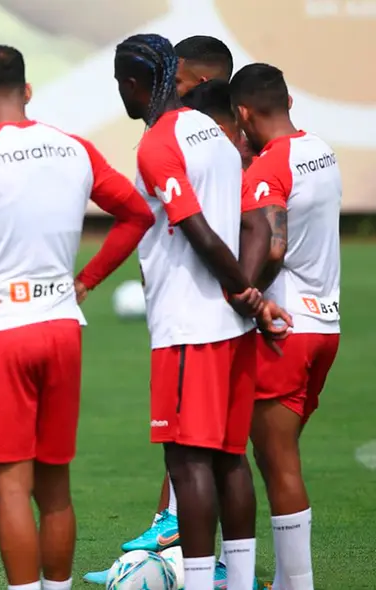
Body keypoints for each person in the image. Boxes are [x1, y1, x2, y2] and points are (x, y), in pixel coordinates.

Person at [0, 45, 154, 590]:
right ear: (27, 91)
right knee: (56, 488)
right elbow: (137, 213)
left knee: (9, 489)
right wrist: (87, 280)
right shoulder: (75, 149)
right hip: (61, 326)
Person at [112, 33, 291, 590]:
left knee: (188, 464)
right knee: (229, 459)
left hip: (191, 327)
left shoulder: (159, 144)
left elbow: (197, 232)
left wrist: (246, 294)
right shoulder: (218, 135)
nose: (121, 94)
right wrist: (249, 298)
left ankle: (195, 583)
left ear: (135, 84)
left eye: (121, 85)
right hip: (229, 331)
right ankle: (237, 582)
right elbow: (255, 224)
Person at [231, 63, 342, 590]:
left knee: (278, 465)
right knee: (282, 457)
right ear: (289, 101)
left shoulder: (268, 169)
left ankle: (298, 583)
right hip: (327, 326)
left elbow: (272, 246)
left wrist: (246, 293)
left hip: (284, 331)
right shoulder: (320, 149)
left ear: (244, 114)